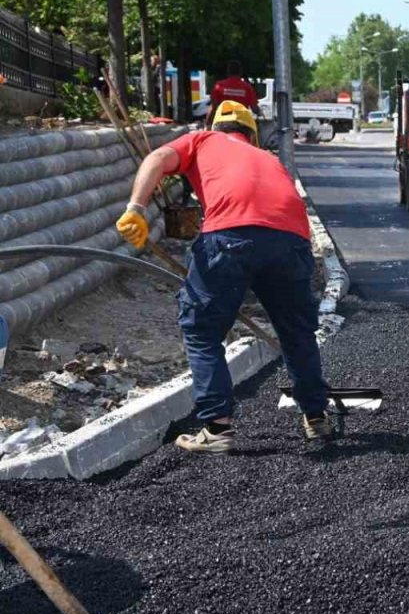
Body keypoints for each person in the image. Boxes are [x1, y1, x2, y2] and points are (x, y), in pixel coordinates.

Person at [115, 101, 333, 454]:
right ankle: (316, 416)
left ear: (214, 126)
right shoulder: (268, 159)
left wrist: (135, 208)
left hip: (228, 238)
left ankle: (217, 428)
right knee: (296, 332)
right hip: (291, 242)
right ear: (252, 134)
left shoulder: (201, 140)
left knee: (202, 329)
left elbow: (156, 159)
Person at [206, 60, 260, 125]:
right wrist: (259, 112)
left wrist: (207, 123)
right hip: (242, 123)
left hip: (223, 122)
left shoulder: (219, 86)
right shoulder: (247, 87)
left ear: (228, 71)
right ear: (240, 72)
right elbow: (254, 108)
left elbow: (213, 107)